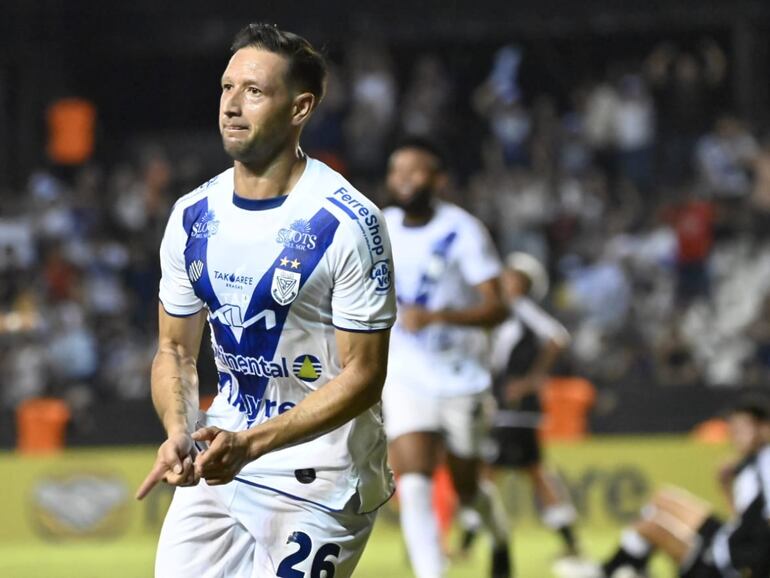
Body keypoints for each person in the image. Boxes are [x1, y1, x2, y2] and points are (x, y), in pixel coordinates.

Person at [134, 23, 397, 578]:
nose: (232, 105)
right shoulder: (191, 216)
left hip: (322, 471)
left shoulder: (348, 222)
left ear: (301, 108)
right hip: (223, 450)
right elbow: (175, 352)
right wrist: (179, 433)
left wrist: (250, 444)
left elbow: (364, 376)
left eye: (254, 91)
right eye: (227, 88)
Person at [382, 137, 512, 578]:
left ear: (438, 180)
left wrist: (439, 316)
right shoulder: (381, 226)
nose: (404, 179)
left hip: (462, 375)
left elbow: (499, 308)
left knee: (466, 486)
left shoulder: (463, 230)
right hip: (404, 373)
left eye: (415, 171)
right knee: (414, 484)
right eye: (398, 171)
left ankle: (498, 535)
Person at [555, 396, 770, 578]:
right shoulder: (753, 463)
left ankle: (610, 570)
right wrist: (725, 485)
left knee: (649, 527)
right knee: (662, 499)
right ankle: (633, 566)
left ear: (764, 428)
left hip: (730, 562)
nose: (735, 436)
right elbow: (745, 519)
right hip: (731, 539)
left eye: (742, 429)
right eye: (733, 429)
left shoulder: (765, 464)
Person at [460, 252, 580, 560]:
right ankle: (570, 541)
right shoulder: (504, 313)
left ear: (524, 285)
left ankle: (466, 545)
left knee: (487, 472)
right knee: (533, 473)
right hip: (507, 407)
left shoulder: (522, 309)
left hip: (515, 408)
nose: (506, 281)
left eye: (513, 278)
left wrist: (530, 381)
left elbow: (557, 338)